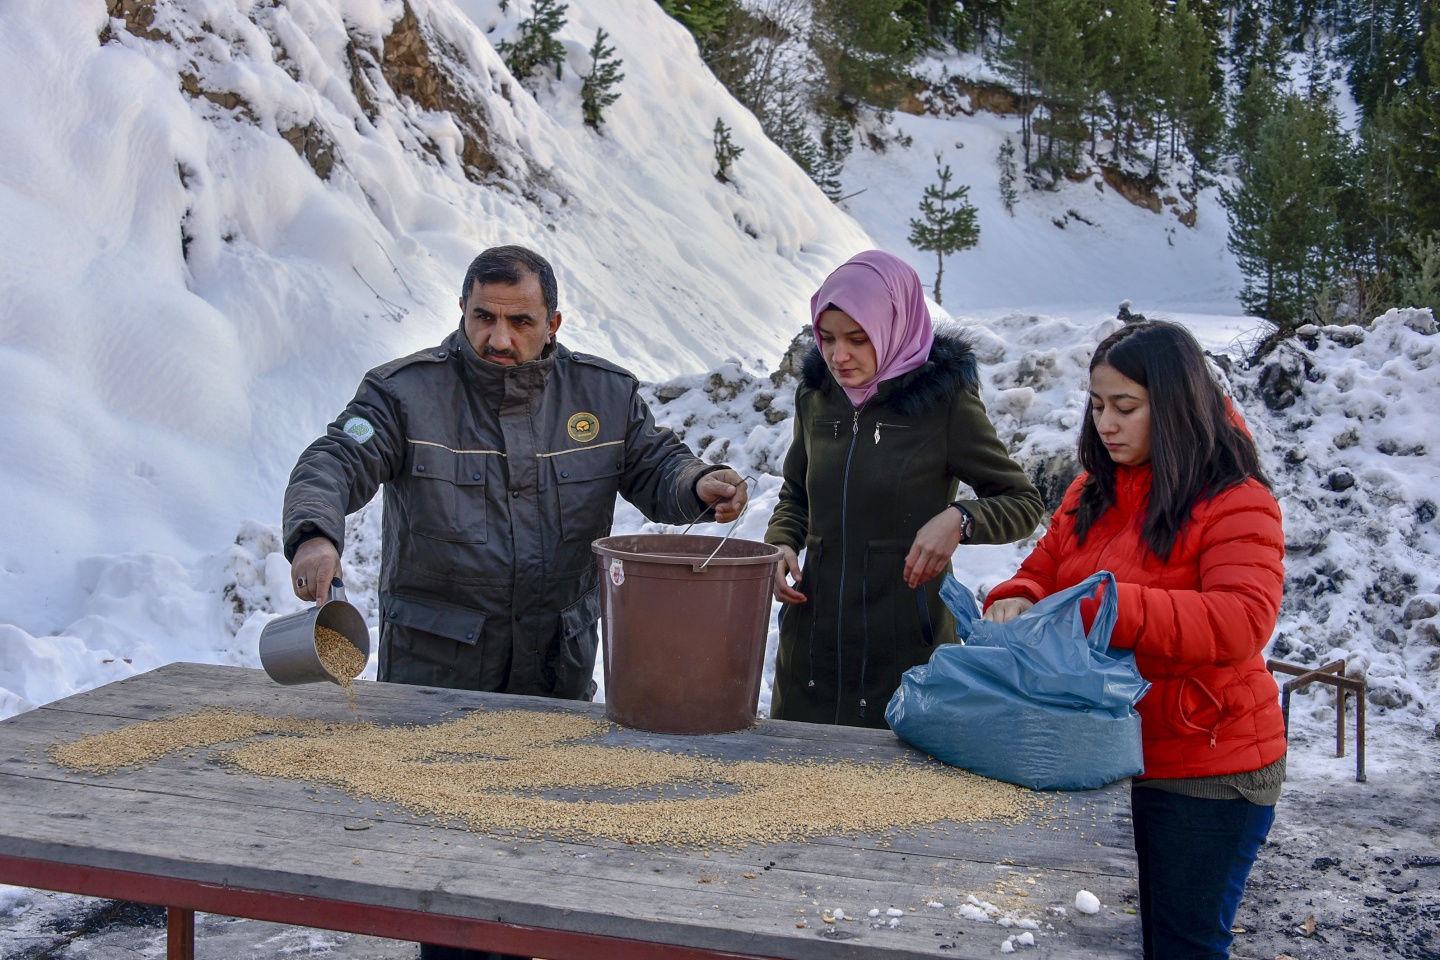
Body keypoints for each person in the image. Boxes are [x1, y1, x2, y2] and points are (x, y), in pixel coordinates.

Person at [283, 244, 746, 960]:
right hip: (439, 678)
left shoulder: (603, 394)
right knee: (447, 872)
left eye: (520, 321)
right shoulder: (404, 394)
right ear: (461, 312)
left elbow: (656, 463)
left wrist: (698, 483)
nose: (499, 338)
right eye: (483, 317)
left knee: (549, 857)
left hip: (553, 669)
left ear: (553, 321)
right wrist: (314, 534)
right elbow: (334, 458)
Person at [982, 320, 1287, 960]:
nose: (1106, 425)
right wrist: (1020, 596)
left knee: (1183, 944)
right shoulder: (1092, 489)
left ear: (1174, 406)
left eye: (1125, 407)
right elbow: (1044, 568)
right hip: (1112, 748)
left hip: (1208, 759)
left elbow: (1242, 620)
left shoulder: (1236, 498)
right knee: (1128, 933)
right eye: (1096, 407)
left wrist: (1107, 608)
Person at [764, 250, 1044, 728]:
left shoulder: (942, 402)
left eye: (858, 338)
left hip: (906, 652)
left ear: (893, 326)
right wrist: (780, 543)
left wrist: (960, 519)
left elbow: (1024, 503)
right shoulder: (816, 396)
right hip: (812, 652)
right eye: (827, 338)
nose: (838, 356)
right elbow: (796, 494)